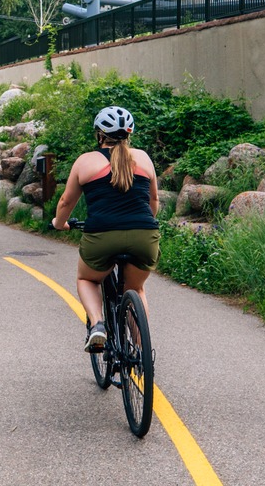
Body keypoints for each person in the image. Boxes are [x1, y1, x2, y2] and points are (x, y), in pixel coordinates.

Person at [51, 105, 160, 352]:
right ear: (129, 134)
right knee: (136, 288)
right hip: (144, 235)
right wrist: (143, 225)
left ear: (100, 135)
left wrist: (59, 224)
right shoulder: (143, 158)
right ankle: (143, 351)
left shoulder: (85, 162)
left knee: (87, 279)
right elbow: (153, 202)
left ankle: (98, 325)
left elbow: (66, 202)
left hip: (101, 236)